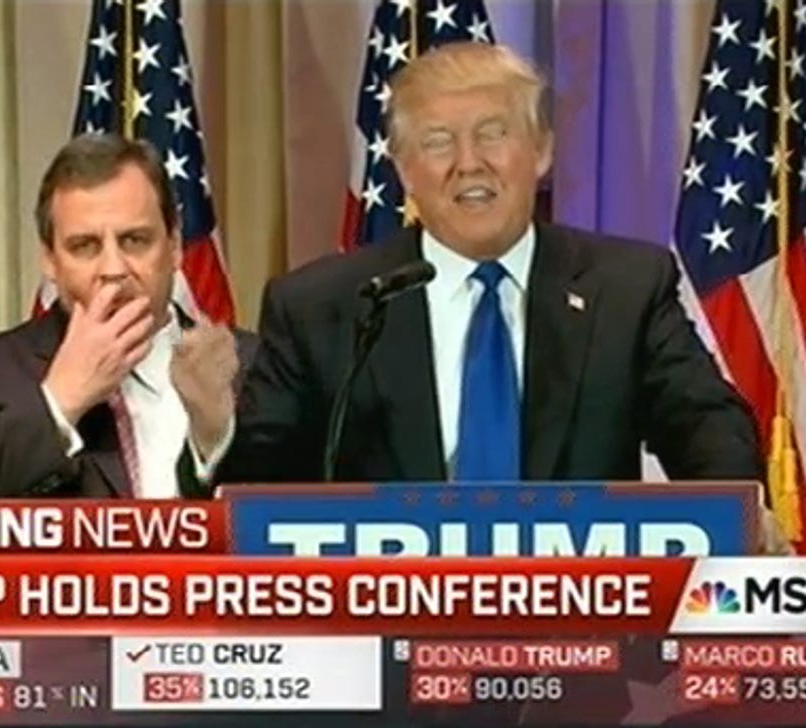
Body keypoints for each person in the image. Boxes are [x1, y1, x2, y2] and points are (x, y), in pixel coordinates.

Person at [220, 41, 766, 500]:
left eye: (492, 133)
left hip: (576, 592)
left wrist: (734, 522)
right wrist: (213, 426)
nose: (469, 163)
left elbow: (709, 429)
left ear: (542, 151)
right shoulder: (324, 307)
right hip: (389, 592)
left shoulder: (624, 289)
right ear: (405, 170)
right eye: (438, 142)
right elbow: (258, 489)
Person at [0, 133, 254, 499]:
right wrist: (59, 403)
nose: (113, 269)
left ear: (174, 246)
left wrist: (216, 435)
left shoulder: (258, 368)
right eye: (85, 246)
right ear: (49, 259)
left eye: (134, 240)